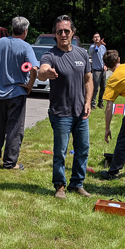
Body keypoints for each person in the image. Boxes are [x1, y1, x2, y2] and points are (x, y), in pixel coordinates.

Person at [37, 15, 92, 199]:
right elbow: (42, 72)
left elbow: (88, 80)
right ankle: (60, 186)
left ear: (73, 33)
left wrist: (88, 102)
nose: (63, 34)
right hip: (61, 113)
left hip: (81, 112)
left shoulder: (82, 54)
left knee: (83, 149)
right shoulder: (50, 55)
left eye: (66, 31)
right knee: (60, 151)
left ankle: (78, 184)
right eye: (59, 31)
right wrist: (47, 72)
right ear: (55, 33)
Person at [0, 16, 39, 170]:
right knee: (14, 129)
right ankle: (10, 163)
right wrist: (30, 85)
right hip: (17, 93)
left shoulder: (1, 43)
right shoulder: (26, 47)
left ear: (12, 28)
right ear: (25, 31)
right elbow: (34, 68)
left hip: (0, 93)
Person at [99, 50, 125, 180]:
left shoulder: (112, 80)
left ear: (106, 66)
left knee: (123, 141)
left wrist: (107, 128)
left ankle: (113, 171)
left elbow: (109, 106)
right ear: (119, 59)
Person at [89, 32, 107, 110]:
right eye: (95, 37)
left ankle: (100, 103)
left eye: (98, 37)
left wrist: (106, 65)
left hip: (103, 70)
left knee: (103, 87)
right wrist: (99, 44)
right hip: (96, 71)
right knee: (95, 88)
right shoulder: (92, 47)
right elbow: (95, 49)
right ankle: (93, 104)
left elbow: (105, 57)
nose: (97, 38)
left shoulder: (103, 47)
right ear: (93, 39)